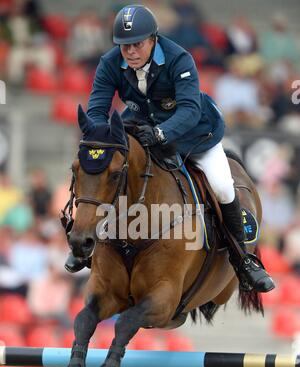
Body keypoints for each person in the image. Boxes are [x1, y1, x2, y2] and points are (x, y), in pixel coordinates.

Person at [65, 5, 274, 293]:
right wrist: (100, 143)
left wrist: (162, 133)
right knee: (113, 173)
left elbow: (188, 109)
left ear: (153, 39)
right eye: (124, 46)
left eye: (137, 44)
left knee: (223, 186)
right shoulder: (110, 62)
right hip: (142, 126)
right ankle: (86, 241)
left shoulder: (179, 59)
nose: (130, 52)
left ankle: (244, 260)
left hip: (195, 132)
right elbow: (98, 108)